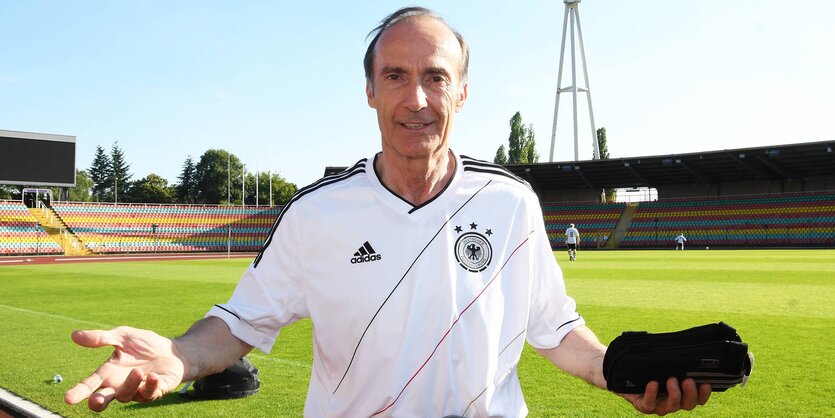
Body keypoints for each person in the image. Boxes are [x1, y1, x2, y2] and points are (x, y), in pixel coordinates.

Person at [64, 7, 711, 417]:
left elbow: (552, 328)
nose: (417, 99)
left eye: (434, 76)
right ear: (370, 90)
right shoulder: (318, 212)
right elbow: (238, 324)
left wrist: (618, 375)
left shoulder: (509, 202)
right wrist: (178, 355)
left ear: (461, 91)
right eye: (396, 76)